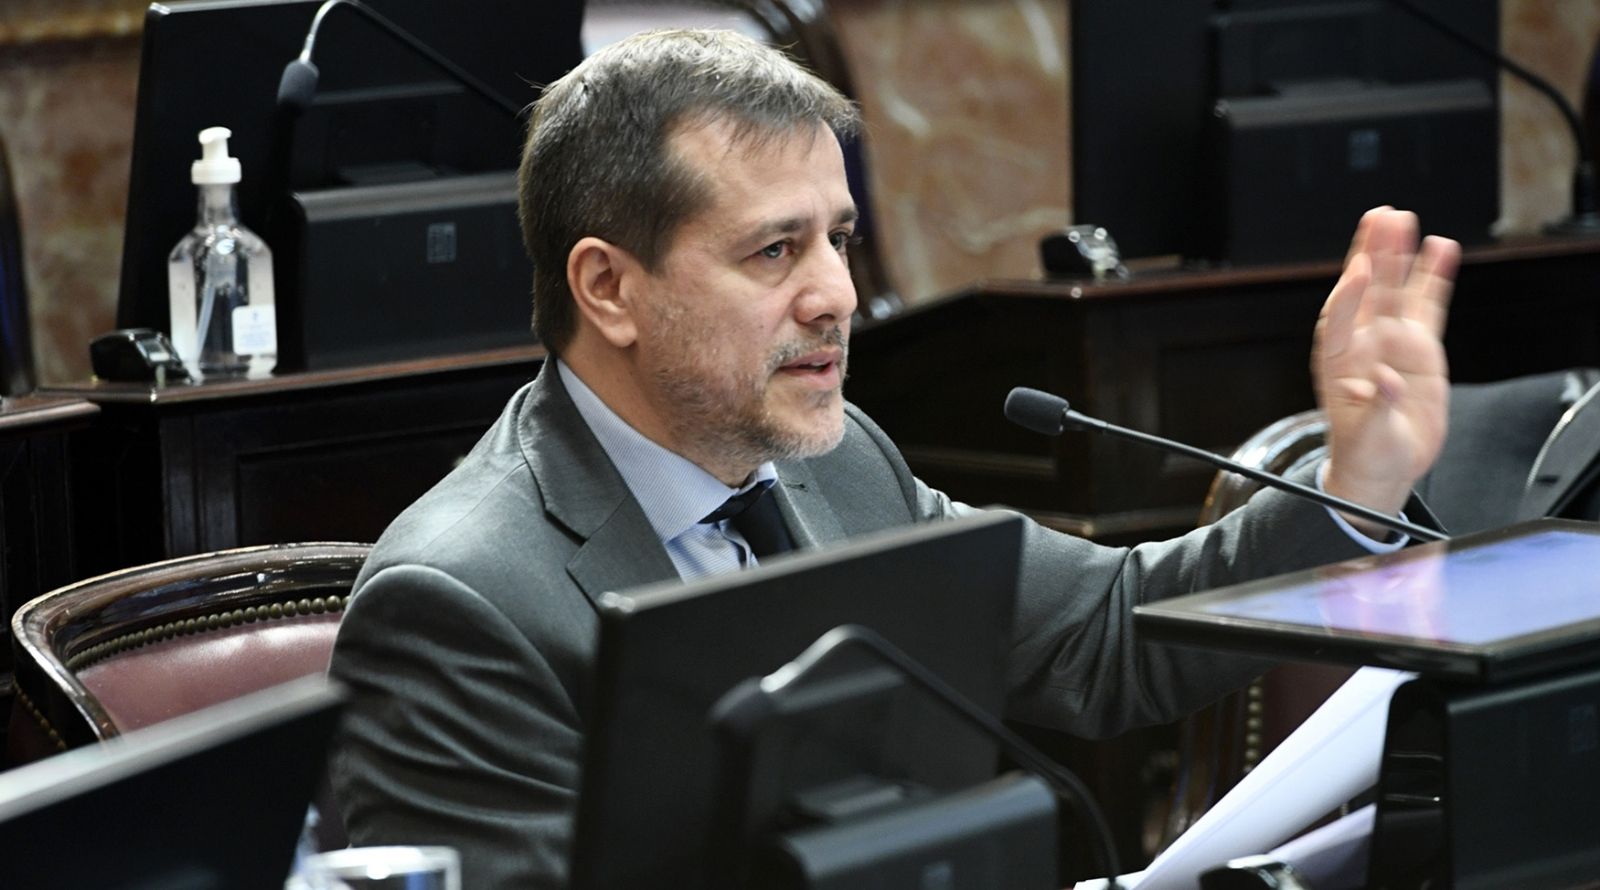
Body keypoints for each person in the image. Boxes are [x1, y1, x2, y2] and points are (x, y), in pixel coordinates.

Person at [328, 28, 1460, 889]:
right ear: (608, 287)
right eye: (775, 250)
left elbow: (1106, 635)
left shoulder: (836, 463)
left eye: (837, 237)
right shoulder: (462, 600)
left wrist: (1354, 482)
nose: (836, 294)